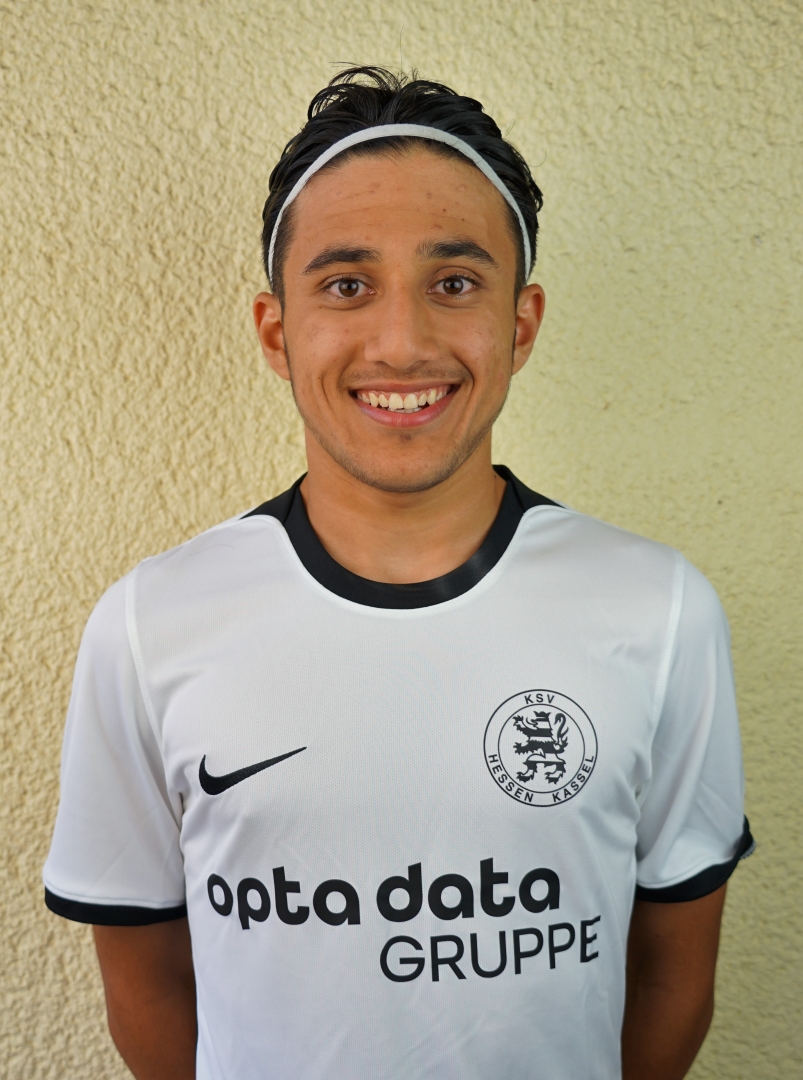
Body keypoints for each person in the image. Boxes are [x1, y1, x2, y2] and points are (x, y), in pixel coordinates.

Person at [43, 67, 753, 1080]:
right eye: (346, 286)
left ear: (520, 322)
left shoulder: (658, 609)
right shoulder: (150, 624)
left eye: (453, 283)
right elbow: (147, 982)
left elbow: (672, 973)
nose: (402, 342)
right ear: (276, 331)